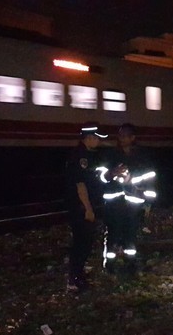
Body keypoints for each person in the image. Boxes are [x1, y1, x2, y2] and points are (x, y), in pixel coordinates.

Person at [100, 123, 156, 274]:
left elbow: (150, 178)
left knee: (130, 234)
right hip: (114, 202)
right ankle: (109, 264)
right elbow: (101, 176)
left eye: (125, 135)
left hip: (134, 203)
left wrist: (148, 203)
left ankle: (130, 263)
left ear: (133, 138)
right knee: (113, 233)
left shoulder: (142, 157)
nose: (122, 138)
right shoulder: (111, 155)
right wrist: (112, 173)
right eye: (120, 135)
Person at [64, 122, 108, 293]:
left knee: (84, 242)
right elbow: (80, 185)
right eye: (97, 138)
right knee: (82, 243)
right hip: (81, 208)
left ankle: (78, 276)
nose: (99, 142)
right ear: (89, 138)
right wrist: (88, 208)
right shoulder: (80, 157)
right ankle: (74, 280)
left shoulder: (87, 155)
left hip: (84, 206)